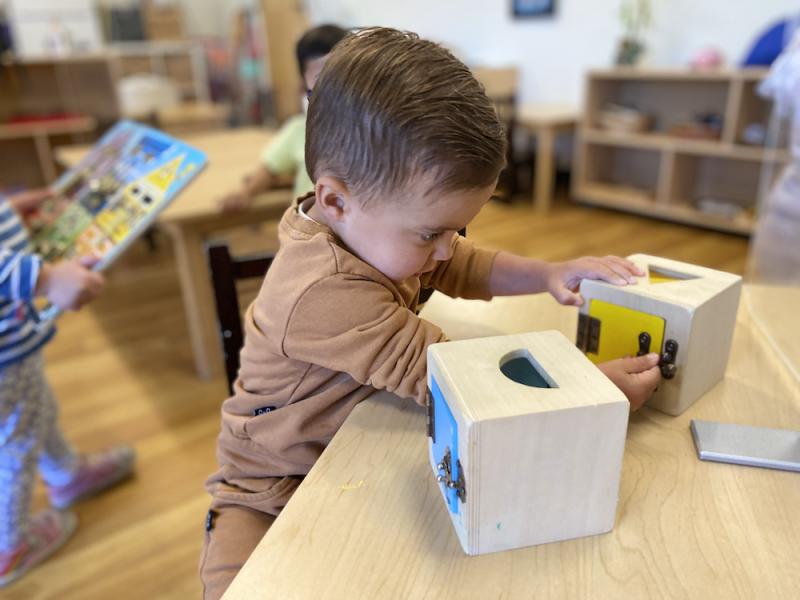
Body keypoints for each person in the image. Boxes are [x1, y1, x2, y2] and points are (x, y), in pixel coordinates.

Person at [200, 28, 662, 599]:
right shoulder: (322, 290)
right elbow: (455, 379)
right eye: (431, 232)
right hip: (269, 492)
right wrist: (588, 387)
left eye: (456, 228)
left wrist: (546, 273)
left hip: (354, 454)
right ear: (335, 200)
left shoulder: (375, 235)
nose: (447, 247)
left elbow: (465, 266)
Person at [0, 188, 135, 587]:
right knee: (17, 442)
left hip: (12, 350)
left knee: (36, 409)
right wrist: (45, 278)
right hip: (4, 356)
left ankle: (66, 473)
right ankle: (10, 546)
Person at [218, 24, 349, 211]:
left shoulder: (368, 130)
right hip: (305, 226)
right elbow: (269, 168)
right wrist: (246, 193)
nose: (331, 84)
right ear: (303, 82)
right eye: (320, 76)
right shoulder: (299, 129)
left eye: (339, 73)